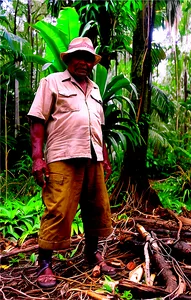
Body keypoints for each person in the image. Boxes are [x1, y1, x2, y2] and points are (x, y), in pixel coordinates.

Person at [28, 37, 116, 289]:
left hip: (93, 158)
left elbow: (98, 128)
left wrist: (105, 159)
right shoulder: (52, 82)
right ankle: (45, 263)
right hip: (62, 157)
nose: (83, 62)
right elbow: (37, 120)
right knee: (57, 210)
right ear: (68, 59)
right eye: (78, 57)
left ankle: (92, 254)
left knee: (96, 209)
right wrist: (37, 159)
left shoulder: (96, 89)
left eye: (88, 58)